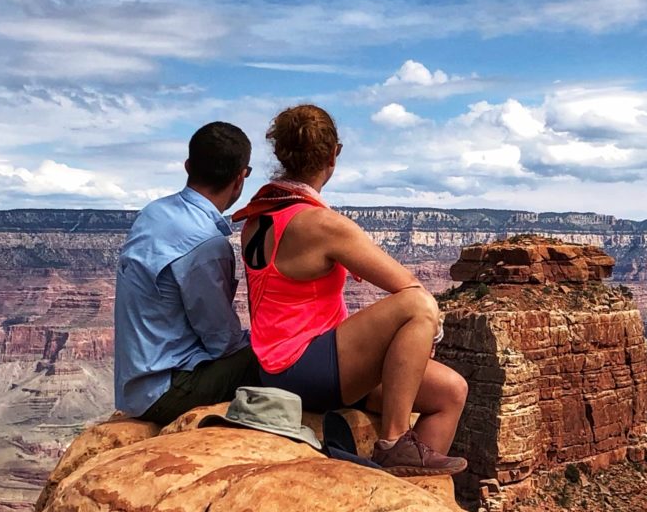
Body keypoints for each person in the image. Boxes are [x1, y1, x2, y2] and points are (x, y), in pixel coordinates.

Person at [233, 104, 469, 476]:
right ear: (334, 154)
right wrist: (428, 330)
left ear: (280, 154)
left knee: (450, 391)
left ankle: (403, 497)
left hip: (286, 363)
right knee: (418, 306)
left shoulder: (259, 217)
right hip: (303, 366)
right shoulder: (320, 223)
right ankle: (394, 443)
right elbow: (408, 288)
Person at [113, 121, 259, 425]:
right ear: (240, 177)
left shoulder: (153, 213)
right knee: (281, 355)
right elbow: (223, 342)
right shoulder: (206, 244)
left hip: (137, 387)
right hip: (168, 392)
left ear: (188, 166)